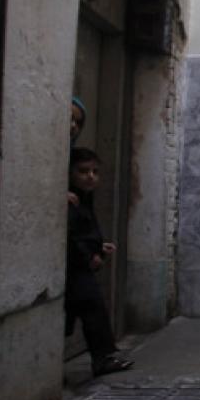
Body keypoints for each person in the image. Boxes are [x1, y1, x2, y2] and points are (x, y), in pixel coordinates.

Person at [66, 147, 133, 377]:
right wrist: (89, 256)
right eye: (83, 171)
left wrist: (98, 246)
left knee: (86, 310)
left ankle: (103, 357)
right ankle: (102, 358)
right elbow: (70, 236)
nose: (90, 177)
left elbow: (84, 230)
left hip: (80, 265)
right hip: (75, 267)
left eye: (95, 172)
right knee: (91, 308)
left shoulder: (84, 197)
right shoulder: (71, 199)